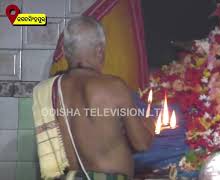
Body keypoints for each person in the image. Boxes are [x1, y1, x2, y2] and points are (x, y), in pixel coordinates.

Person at [32, 16, 155, 180]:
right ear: (99, 50)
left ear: (66, 52)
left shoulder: (50, 90)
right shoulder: (113, 86)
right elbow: (141, 144)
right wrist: (150, 124)